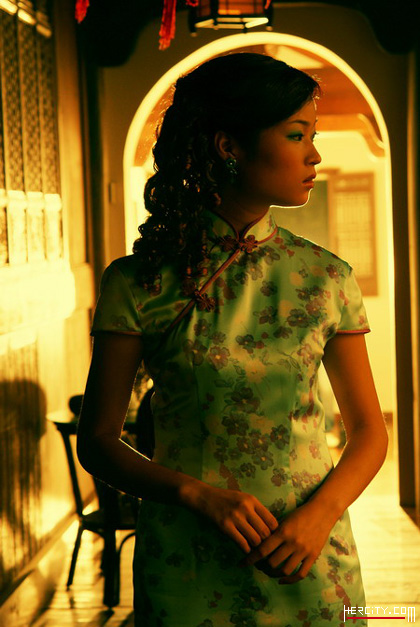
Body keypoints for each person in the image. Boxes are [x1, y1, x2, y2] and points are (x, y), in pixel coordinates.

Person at [77, 52, 388, 627]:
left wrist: (320, 516)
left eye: (313, 135)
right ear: (228, 146)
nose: (314, 154)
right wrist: (196, 496)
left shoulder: (326, 277)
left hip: (309, 551)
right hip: (187, 559)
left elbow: (370, 432)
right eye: (296, 135)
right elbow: (96, 441)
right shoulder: (138, 282)